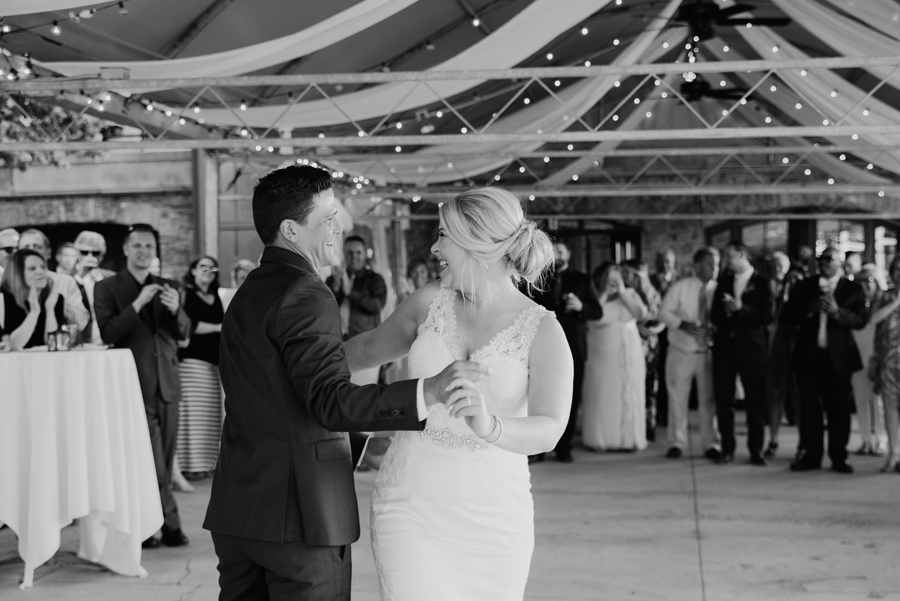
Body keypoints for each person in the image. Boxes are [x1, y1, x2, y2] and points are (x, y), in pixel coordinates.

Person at [202, 165, 486, 601]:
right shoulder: (306, 292)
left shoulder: (250, 291)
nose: (340, 226)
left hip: (239, 510)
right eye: (329, 216)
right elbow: (330, 403)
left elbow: (279, 395)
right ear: (291, 230)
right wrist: (427, 391)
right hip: (299, 517)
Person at [344, 186, 572, 601]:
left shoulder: (543, 330)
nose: (434, 248)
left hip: (495, 520)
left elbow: (550, 427)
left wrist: (491, 425)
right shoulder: (428, 303)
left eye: (443, 235)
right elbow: (363, 350)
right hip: (408, 506)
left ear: (478, 243)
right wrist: (282, 365)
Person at [94, 223, 192, 547]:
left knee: (164, 456)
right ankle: (163, 524)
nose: (144, 252)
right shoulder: (107, 288)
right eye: (137, 246)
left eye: (149, 247)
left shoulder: (169, 285)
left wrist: (176, 308)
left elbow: (183, 333)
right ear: (125, 249)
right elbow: (108, 333)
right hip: (131, 383)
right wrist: (136, 305)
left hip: (167, 381)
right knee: (149, 459)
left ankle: (152, 526)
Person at [782, 247, 867, 474]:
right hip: (808, 357)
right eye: (822, 259)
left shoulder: (853, 289)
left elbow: (860, 320)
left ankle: (839, 456)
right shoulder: (804, 286)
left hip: (838, 359)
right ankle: (811, 455)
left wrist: (838, 312)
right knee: (809, 408)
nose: (824, 262)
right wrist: (809, 309)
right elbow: (787, 316)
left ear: (840, 263)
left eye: (830, 259)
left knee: (838, 409)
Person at [529, 241, 602, 462]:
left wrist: (581, 308)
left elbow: (597, 310)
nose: (557, 254)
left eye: (561, 250)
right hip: (544, 346)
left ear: (569, 253)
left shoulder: (582, 279)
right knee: (539, 395)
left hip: (575, 346)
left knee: (572, 397)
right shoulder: (538, 278)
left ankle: (565, 447)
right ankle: (539, 448)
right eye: (554, 251)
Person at [710, 242, 775, 465]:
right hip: (726, 348)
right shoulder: (724, 282)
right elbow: (714, 315)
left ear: (743, 255)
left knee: (755, 400)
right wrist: (727, 312)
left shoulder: (764, 284)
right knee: (724, 400)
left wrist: (742, 310)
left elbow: (768, 316)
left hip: (752, 349)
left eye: (730, 256)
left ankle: (756, 449)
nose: (727, 261)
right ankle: (727, 448)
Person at [658, 248, 721, 460]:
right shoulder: (681, 287)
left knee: (708, 400)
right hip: (681, 351)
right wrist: (682, 324)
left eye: (717, 264)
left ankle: (710, 443)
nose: (715, 268)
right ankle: (676, 442)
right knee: (677, 398)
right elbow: (663, 312)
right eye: (710, 264)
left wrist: (713, 328)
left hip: (708, 353)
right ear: (697, 266)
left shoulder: (719, 290)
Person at [581, 262, 648, 451]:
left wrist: (623, 294)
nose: (614, 281)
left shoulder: (630, 294)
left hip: (630, 351)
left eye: (617, 277)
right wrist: (605, 293)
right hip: (601, 353)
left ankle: (629, 439)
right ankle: (601, 439)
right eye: (609, 278)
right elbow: (593, 316)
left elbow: (642, 314)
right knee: (603, 393)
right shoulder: (594, 296)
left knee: (629, 392)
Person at [176, 256, 225, 479]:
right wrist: (218, 327)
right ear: (193, 271)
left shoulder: (216, 297)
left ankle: (205, 465)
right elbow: (188, 325)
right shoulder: (186, 294)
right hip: (191, 364)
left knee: (210, 417)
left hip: (212, 365)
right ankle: (189, 466)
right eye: (202, 266)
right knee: (191, 417)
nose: (207, 271)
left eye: (211, 268)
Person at [327, 235, 387, 385]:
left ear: (365, 253)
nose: (354, 257)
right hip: (338, 345)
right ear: (344, 254)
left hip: (365, 343)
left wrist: (350, 292)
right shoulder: (333, 279)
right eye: (350, 253)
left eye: (358, 252)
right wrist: (335, 288)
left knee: (366, 391)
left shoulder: (375, 279)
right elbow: (324, 309)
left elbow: (376, 305)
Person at [17, 228, 90, 334]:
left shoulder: (65, 282)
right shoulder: (7, 283)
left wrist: (59, 303)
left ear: (49, 253)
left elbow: (81, 322)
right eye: (26, 247)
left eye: (37, 246)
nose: (31, 251)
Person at [623, 259, 665, 441]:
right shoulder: (627, 293)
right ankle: (634, 425)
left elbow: (663, 317)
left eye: (627, 272)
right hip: (632, 341)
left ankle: (649, 425)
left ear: (636, 275)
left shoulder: (653, 293)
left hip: (650, 344)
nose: (624, 276)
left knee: (649, 385)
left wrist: (654, 330)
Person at [764, 251, 800, 458]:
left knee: (798, 397)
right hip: (777, 347)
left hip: (796, 348)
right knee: (774, 394)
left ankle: (801, 444)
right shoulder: (772, 290)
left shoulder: (802, 295)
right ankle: (773, 440)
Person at [850, 265, 887, 457]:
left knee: (878, 402)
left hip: (876, 356)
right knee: (861, 401)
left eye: (869, 281)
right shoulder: (853, 303)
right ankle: (865, 440)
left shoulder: (883, 303)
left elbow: (876, 322)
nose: (865, 286)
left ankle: (881, 440)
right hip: (856, 356)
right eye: (860, 282)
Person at [0, 249, 66, 350]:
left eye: (43, 267)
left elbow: (54, 345)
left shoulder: (56, 298)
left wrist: (50, 310)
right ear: (18, 273)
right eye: (32, 268)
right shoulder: (4, 298)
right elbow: (14, 345)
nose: (40, 272)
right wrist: (34, 312)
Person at [870, 255, 900, 473]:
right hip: (889, 361)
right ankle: (893, 453)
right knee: (889, 408)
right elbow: (873, 319)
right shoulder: (883, 295)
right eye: (896, 269)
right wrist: (898, 301)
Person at [73, 230, 116, 345]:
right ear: (77, 253)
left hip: (109, 343)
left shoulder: (112, 277)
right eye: (84, 252)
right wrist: (79, 277)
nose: (90, 256)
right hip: (80, 344)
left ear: (102, 256)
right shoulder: (68, 279)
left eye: (95, 253)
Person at [650, 249, 678, 429]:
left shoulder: (680, 281)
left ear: (674, 263)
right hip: (654, 332)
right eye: (663, 261)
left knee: (671, 374)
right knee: (655, 374)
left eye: (668, 261)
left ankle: (668, 416)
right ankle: (656, 415)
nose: (665, 264)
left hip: (674, 332)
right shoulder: (651, 280)